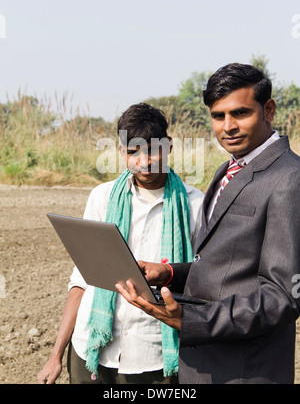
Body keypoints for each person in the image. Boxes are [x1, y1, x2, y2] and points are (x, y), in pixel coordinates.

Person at [116, 63, 300, 384]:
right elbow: (227, 267)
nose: (228, 126)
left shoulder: (289, 178)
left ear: (268, 109)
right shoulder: (228, 170)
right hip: (204, 366)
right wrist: (171, 273)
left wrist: (192, 319)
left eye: (240, 113)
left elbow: (282, 296)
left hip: (244, 370)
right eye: (218, 116)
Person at [38, 102, 204, 384]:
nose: (144, 161)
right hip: (93, 347)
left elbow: (203, 276)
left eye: (153, 151)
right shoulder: (102, 198)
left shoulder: (195, 204)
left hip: (155, 355)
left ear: (169, 146)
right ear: (121, 152)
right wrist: (55, 355)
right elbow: (82, 278)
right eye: (132, 152)